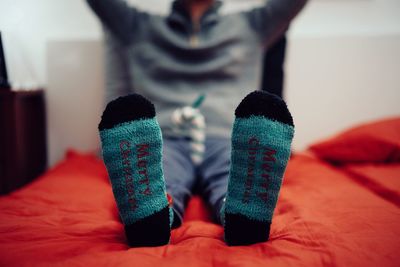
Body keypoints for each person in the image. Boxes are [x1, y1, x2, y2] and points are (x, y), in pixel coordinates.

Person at [88, 0, 307, 247]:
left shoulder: (253, 25)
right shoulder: (137, 26)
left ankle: (242, 219)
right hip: (162, 137)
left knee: (234, 175)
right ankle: (152, 220)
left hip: (230, 138)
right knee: (158, 172)